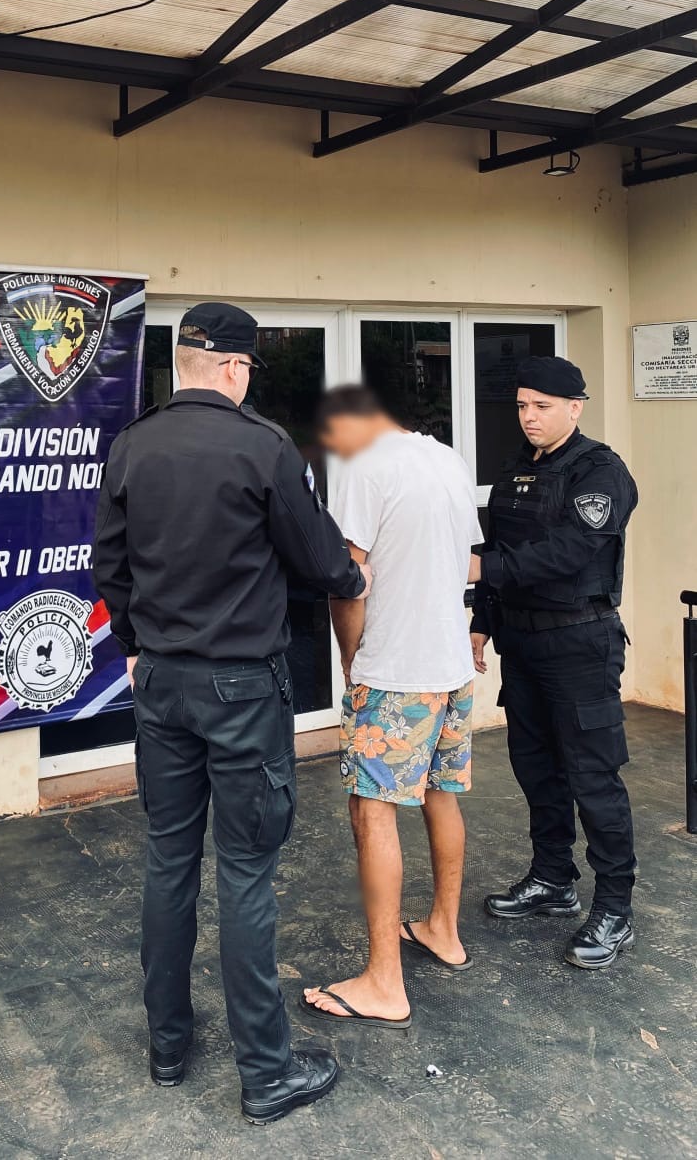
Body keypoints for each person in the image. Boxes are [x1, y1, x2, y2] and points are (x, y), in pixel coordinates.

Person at [92, 302, 371, 1126]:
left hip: (161, 685)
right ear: (233, 367)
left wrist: (134, 645)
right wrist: (353, 580)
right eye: (247, 368)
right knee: (245, 871)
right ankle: (266, 1073)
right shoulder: (262, 445)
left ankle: (167, 1047)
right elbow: (318, 558)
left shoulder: (133, 443)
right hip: (241, 689)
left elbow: (109, 564)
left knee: (168, 860)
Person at [300, 386, 483, 1030]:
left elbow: (347, 579)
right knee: (440, 794)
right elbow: (467, 563)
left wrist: (352, 661)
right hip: (450, 666)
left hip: (396, 670)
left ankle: (384, 981)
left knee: (372, 811)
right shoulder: (449, 461)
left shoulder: (364, 466)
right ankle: (443, 930)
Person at [471, 356, 638, 970]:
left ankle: (615, 908)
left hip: (579, 644)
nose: (529, 417)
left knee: (592, 776)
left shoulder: (601, 472)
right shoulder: (517, 468)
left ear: (575, 407)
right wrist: (482, 621)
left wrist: (484, 570)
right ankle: (552, 879)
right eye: (522, 405)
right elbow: (499, 545)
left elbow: (570, 551)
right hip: (522, 643)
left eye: (541, 406)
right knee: (537, 769)